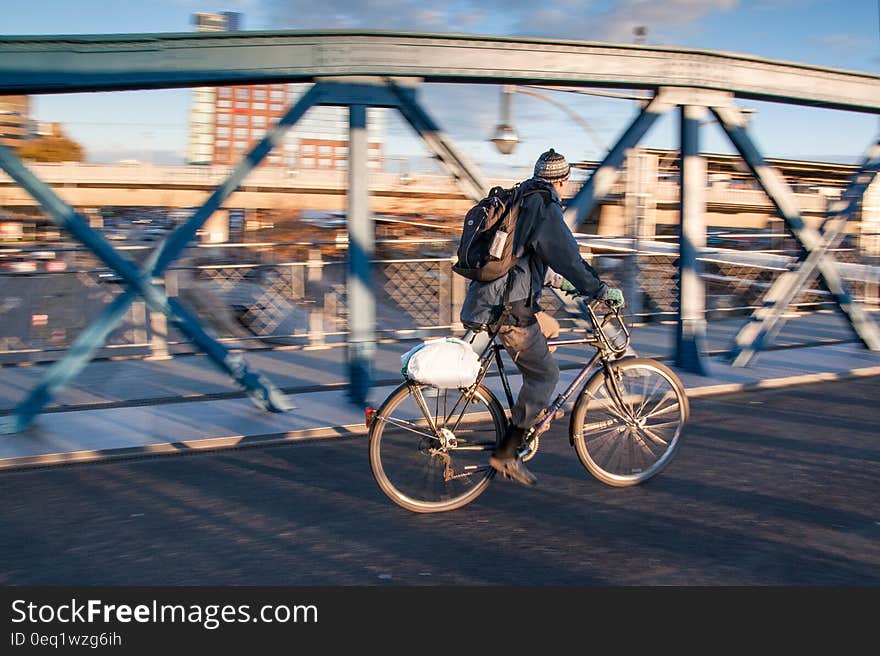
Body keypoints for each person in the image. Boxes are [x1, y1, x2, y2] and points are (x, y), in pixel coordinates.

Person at [460, 148, 624, 487]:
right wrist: (598, 288)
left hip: (490, 299)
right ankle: (507, 452)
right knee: (545, 376)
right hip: (509, 310)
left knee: (551, 327)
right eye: (566, 182)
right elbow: (566, 255)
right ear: (563, 181)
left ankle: (536, 410)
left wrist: (564, 283)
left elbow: (524, 259)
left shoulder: (522, 197)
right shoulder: (545, 206)